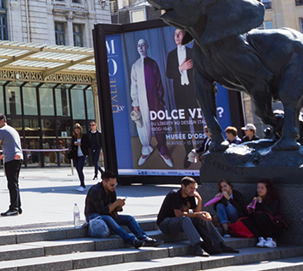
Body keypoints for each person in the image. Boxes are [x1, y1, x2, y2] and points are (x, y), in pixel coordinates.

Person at [156, 176, 235, 256]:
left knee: (201, 218)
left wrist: (199, 200)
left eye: (194, 188)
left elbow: (196, 213)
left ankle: (221, 243)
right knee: (185, 219)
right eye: (190, 188)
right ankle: (197, 247)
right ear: (183, 186)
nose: (193, 190)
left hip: (180, 222)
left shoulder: (190, 195)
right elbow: (178, 214)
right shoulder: (175, 194)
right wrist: (198, 214)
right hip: (165, 223)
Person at [85, 170, 160, 248]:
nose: (114, 186)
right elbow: (102, 211)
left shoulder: (111, 191)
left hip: (109, 215)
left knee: (129, 218)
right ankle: (131, 240)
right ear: (104, 182)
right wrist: (115, 204)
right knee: (108, 218)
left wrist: (119, 206)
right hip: (94, 217)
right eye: (112, 185)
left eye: (115, 184)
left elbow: (114, 209)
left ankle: (144, 238)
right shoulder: (95, 191)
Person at [129, 37, 173, 167]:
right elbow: (133, 85)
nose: (141, 48)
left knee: (159, 123)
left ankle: (162, 148)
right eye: (139, 46)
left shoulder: (153, 63)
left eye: (143, 45)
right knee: (143, 125)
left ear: (147, 47)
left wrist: (159, 99)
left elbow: (158, 82)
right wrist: (135, 103)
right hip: (141, 101)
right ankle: (146, 148)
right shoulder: (135, 65)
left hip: (154, 99)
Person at [0, 114, 24, 216]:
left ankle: (14, 208)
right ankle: (18, 207)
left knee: (12, 183)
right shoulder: (12, 130)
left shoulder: (2, 131)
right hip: (18, 157)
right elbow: (13, 147)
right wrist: (2, 156)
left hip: (11, 159)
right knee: (14, 183)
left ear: (2, 121)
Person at [246, 179, 286, 248]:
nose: (259, 190)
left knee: (261, 216)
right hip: (259, 225)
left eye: (262, 188)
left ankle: (271, 239)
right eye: (258, 188)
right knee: (247, 219)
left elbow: (271, 212)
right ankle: (261, 238)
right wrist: (250, 208)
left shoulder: (274, 200)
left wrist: (261, 203)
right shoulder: (255, 198)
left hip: (273, 224)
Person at [68, 123, 87, 191]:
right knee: (77, 169)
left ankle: (82, 184)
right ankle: (81, 184)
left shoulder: (84, 136)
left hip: (82, 154)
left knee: (80, 169)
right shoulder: (74, 137)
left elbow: (88, 144)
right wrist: (74, 144)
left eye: (78, 130)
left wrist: (81, 144)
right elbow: (71, 145)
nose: (77, 132)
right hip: (75, 155)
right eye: (76, 131)